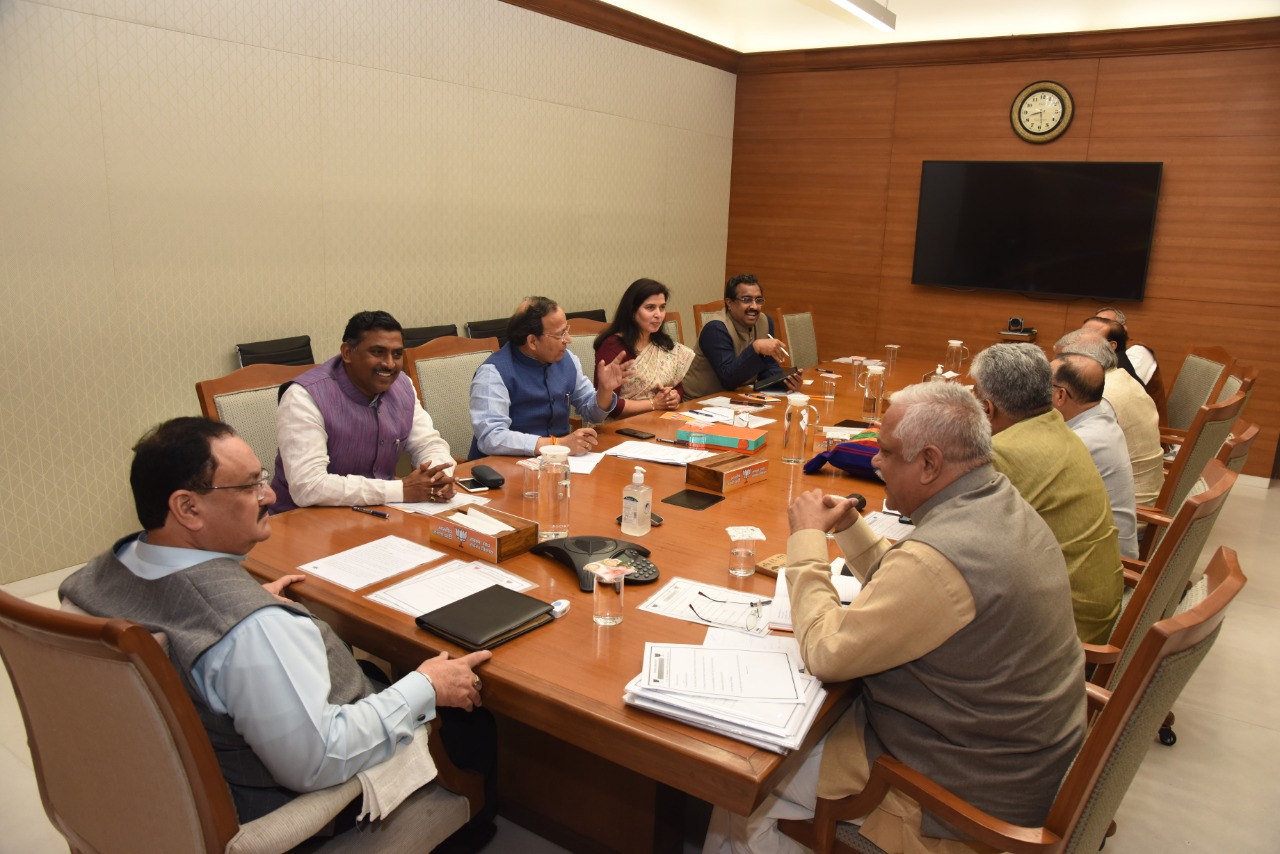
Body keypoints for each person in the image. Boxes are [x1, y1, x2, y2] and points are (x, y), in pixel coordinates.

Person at [59, 417, 493, 834]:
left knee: (377, 673)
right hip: (271, 805)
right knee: (473, 723)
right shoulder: (251, 632)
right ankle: (464, 826)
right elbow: (319, 762)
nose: (268, 495)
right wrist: (426, 685)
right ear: (187, 508)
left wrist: (243, 606)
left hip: (146, 780)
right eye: (249, 485)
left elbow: (169, 613)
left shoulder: (97, 574)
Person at [704, 383, 1084, 854]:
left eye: (886, 452)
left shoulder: (941, 556)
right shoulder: (998, 500)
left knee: (743, 780)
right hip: (1013, 760)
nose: (876, 462)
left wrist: (806, 543)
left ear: (929, 462)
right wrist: (850, 528)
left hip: (952, 796)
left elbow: (827, 651)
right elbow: (918, 591)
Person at [969, 343, 1122, 644]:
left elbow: (953, 542)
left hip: (1059, 633)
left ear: (987, 408)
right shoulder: (1058, 427)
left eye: (973, 393)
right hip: (1090, 607)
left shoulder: (1004, 452)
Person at [271, 310, 456, 514]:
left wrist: (438, 478)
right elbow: (308, 486)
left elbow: (428, 444)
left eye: (397, 354)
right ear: (347, 353)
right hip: (302, 522)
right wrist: (400, 490)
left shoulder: (403, 385)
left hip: (379, 515)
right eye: (377, 352)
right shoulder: (303, 397)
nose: (389, 364)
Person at [469, 296, 629, 459]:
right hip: (503, 469)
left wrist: (605, 391)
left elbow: (592, 413)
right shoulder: (493, 373)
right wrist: (557, 444)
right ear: (532, 341)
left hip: (557, 463)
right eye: (560, 334)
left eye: (567, 330)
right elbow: (491, 437)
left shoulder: (568, 360)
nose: (569, 340)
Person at [1062, 327, 1166, 507]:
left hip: (1133, 509)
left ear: (1082, 364)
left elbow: (1069, 458)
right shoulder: (1122, 377)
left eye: (1061, 362)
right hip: (1145, 492)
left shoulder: (1101, 398)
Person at [1052, 353, 1139, 559]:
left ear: (1060, 395)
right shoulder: (1101, 420)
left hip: (1106, 563)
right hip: (1102, 545)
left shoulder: (1081, 440)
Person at [681, 273, 803, 399]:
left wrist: (785, 381)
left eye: (758, 300)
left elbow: (768, 367)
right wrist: (755, 348)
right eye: (746, 300)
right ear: (729, 303)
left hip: (736, 398)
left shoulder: (765, 322)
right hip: (699, 402)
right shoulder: (716, 328)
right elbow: (728, 379)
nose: (754, 307)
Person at [593, 278, 694, 414]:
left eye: (662, 307)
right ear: (632, 311)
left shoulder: (664, 344)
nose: (658, 315)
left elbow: (678, 386)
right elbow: (607, 404)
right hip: (621, 426)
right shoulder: (613, 347)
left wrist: (674, 396)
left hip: (660, 420)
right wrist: (653, 403)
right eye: (650, 307)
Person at [1094, 306, 1158, 385]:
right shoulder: (1098, 350)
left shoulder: (1138, 351)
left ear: (1123, 328)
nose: (1099, 330)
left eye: (1106, 323)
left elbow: (1121, 385)